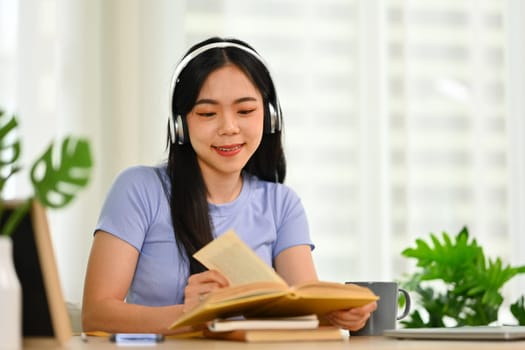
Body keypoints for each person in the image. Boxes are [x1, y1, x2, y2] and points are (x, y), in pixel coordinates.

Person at [81, 36, 377, 335]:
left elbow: (304, 308)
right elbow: (96, 314)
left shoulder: (282, 204)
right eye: (208, 113)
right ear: (180, 125)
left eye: (245, 111)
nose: (228, 128)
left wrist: (339, 314)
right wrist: (188, 315)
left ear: (269, 117)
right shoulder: (139, 189)